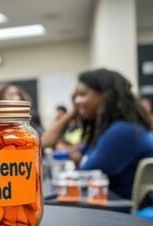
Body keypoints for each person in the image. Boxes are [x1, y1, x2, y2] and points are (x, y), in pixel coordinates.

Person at [42, 68, 153, 199]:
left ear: (106, 96)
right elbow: (45, 144)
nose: (76, 101)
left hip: (123, 209)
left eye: (82, 95)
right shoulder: (106, 129)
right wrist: (72, 112)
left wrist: (73, 112)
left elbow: (84, 175)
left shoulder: (122, 131)